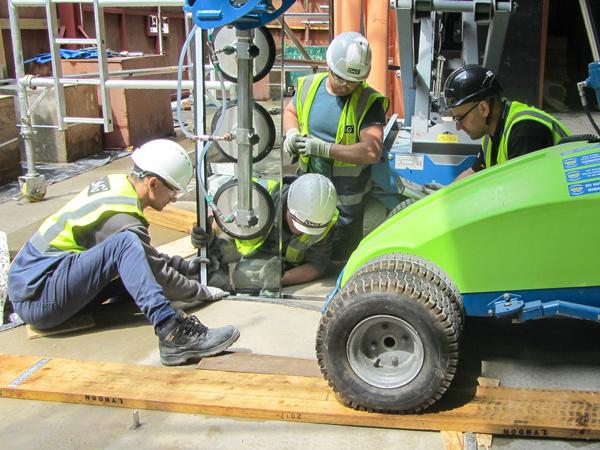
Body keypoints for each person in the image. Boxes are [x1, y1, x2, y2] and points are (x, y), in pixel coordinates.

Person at [7, 139, 239, 366]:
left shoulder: (117, 186)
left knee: (133, 261)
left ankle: (169, 322)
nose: (173, 199)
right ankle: (172, 332)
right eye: (173, 192)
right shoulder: (120, 218)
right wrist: (201, 291)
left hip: (39, 284)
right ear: (153, 183)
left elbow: (144, 259)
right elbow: (156, 272)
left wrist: (187, 268)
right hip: (38, 297)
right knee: (127, 246)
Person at [282, 31, 389, 262]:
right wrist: (290, 133)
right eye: (341, 79)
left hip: (345, 203)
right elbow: (291, 111)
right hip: (307, 189)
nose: (347, 86)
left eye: (354, 82)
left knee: (339, 261)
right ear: (329, 66)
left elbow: (371, 150)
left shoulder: (368, 101)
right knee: (301, 247)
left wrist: (323, 149)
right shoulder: (308, 86)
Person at [192, 174, 338, 294]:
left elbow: (317, 265)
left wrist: (279, 279)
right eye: (297, 224)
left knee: (245, 276)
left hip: (271, 266)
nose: (301, 232)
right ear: (288, 204)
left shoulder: (324, 219)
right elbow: (222, 220)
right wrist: (206, 237)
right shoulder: (256, 197)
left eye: (308, 229)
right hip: (234, 257)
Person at [444, 65, 572, 181]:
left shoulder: (524, 132)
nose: (458, 127)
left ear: (484, 108)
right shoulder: (491, 135)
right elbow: (473, 172)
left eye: (460, 118)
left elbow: (520, 194)